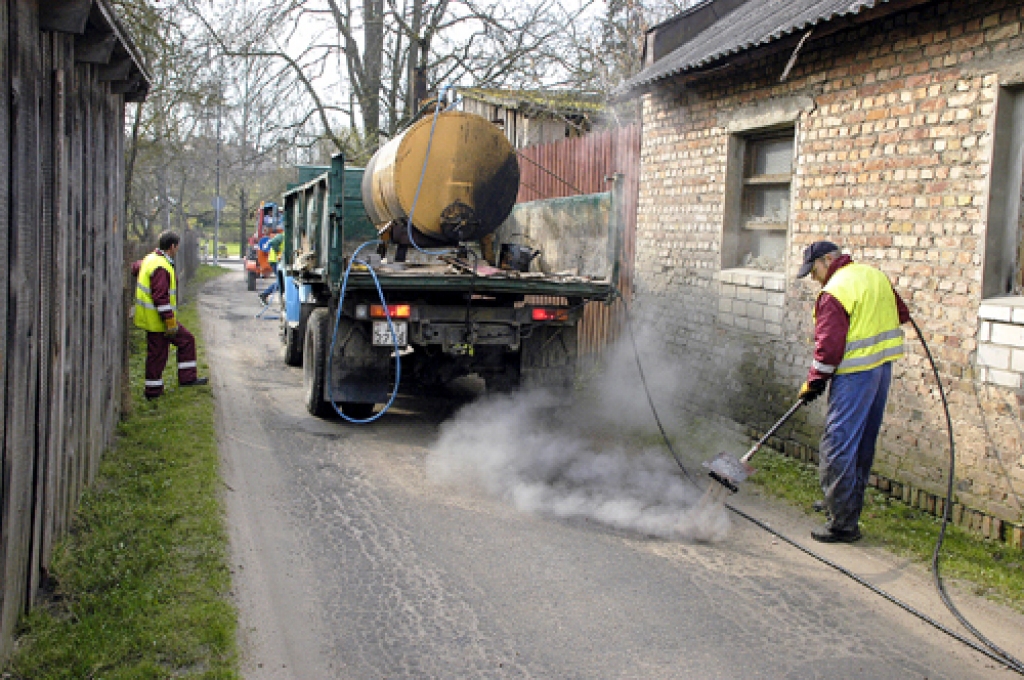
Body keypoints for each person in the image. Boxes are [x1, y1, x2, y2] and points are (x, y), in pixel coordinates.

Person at [796, 240, 910, 543]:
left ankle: (843, 524)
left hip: (855, 375)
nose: (812, 278)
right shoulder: (874, 275)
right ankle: (844, 505)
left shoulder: (835, 291)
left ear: (827, 260)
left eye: (813, 270)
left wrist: (815, 381)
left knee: (837, 444)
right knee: (861, 443)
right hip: (881, 370)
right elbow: (902, 314)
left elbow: (829, 348)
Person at [133, 231, 208, 400]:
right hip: (159, 321)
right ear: (172, 246)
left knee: (180, 343)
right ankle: (154, 391)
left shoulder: (150, 259)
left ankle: (179, 381)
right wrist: (170, 321)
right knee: (160, 354)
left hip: (153, 318)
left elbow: (135, 268)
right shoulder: (161, 267)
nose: (177, 250)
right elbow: (160, 297)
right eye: (177, 246)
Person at [258, 228, 284, 305]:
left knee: (281, 282)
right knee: (281, 282)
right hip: (275, 260)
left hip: (276, 260)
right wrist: (278, 252)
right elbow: (273, 242)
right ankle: (264, 294)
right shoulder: (282, 236)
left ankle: (266, 295)